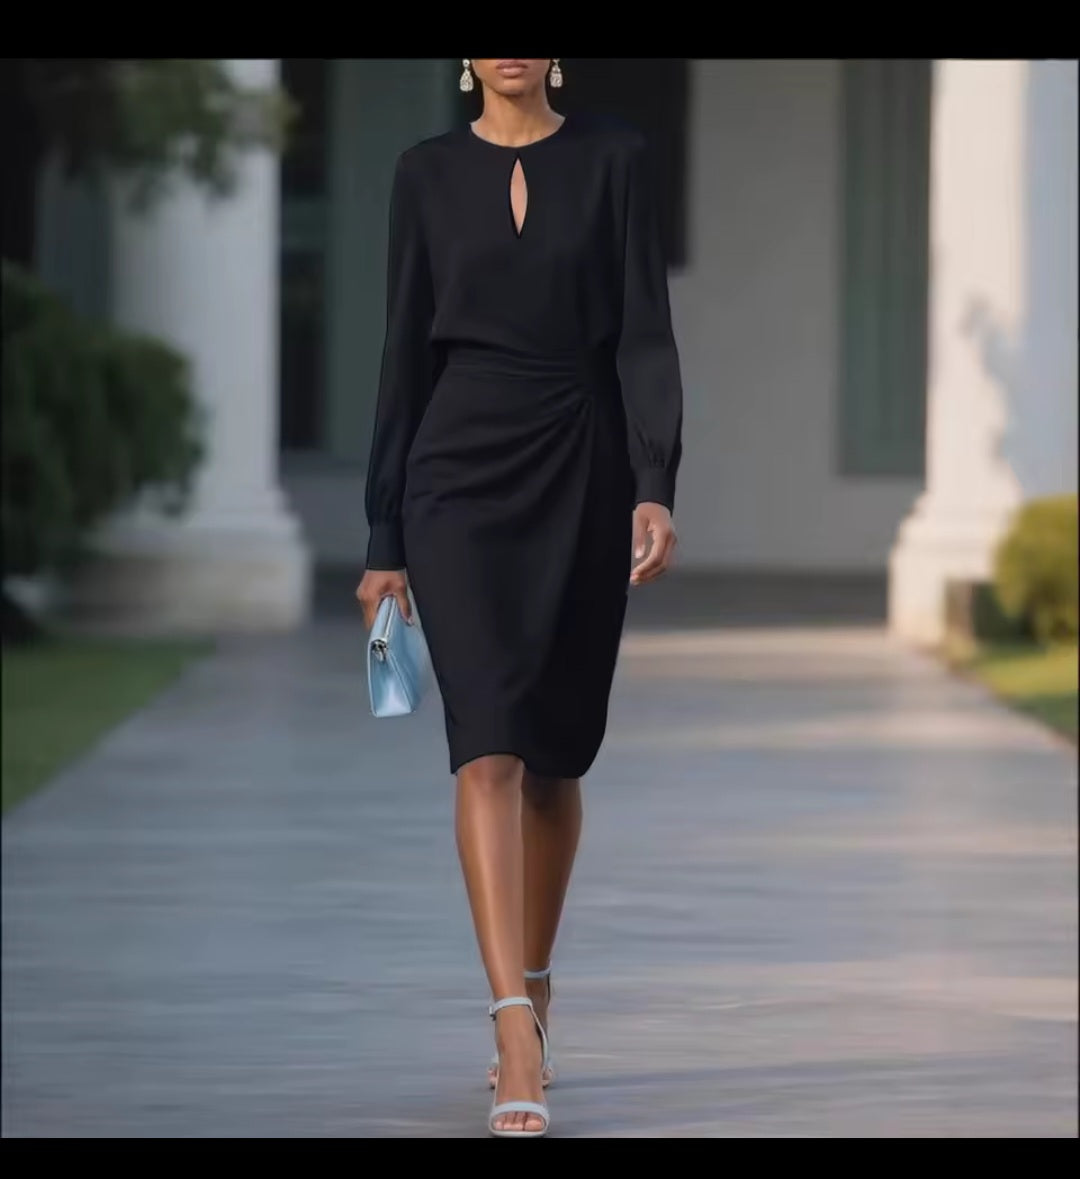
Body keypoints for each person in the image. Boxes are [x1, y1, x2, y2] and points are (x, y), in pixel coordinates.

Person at [356, 57, 683, 1138]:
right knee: (486, 744)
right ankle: (509, 1031)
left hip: (584, 469)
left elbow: (643, 330)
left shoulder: (616, 159)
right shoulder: (423, 174)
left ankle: (536, 989)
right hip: (457, 472)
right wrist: (384, 535)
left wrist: (654, 483)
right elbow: (403, 354)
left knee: (554, 756)